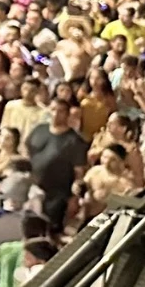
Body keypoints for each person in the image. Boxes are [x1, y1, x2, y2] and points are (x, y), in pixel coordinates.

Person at [26, 96, 92, 232]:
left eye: (61, 111)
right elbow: (27, 152)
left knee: (47, 230)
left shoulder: (75, 141)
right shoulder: (39, 129)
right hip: (31, 187)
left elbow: (79, 172)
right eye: (53, 109)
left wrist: (74, 198)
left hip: (56, 195)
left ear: (68, 114)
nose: (56, 114)